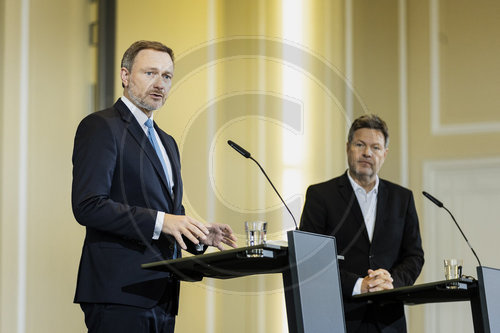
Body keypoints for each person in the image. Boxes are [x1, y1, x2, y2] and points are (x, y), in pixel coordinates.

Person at [72, 40, 237, 333]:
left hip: (162, 294)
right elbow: (89, 205)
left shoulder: (167, 142)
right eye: (150, 73)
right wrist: (164, 222)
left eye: (167, 76)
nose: (159, 83)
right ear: (125, 76)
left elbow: (170, 213)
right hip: (119, 292)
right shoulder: (101, 126)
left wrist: (198, 234)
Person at [300, 114, 424, 332]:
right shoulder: (320, 195)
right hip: (337, 318)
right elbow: (311, 259)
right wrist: (359, 285)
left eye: (376, 148)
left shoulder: (402, 198)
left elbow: (414, 256)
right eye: (360, 145)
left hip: (389, 322)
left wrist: (390, 282)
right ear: (348, 147)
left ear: (384, 154)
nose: (367, 153)